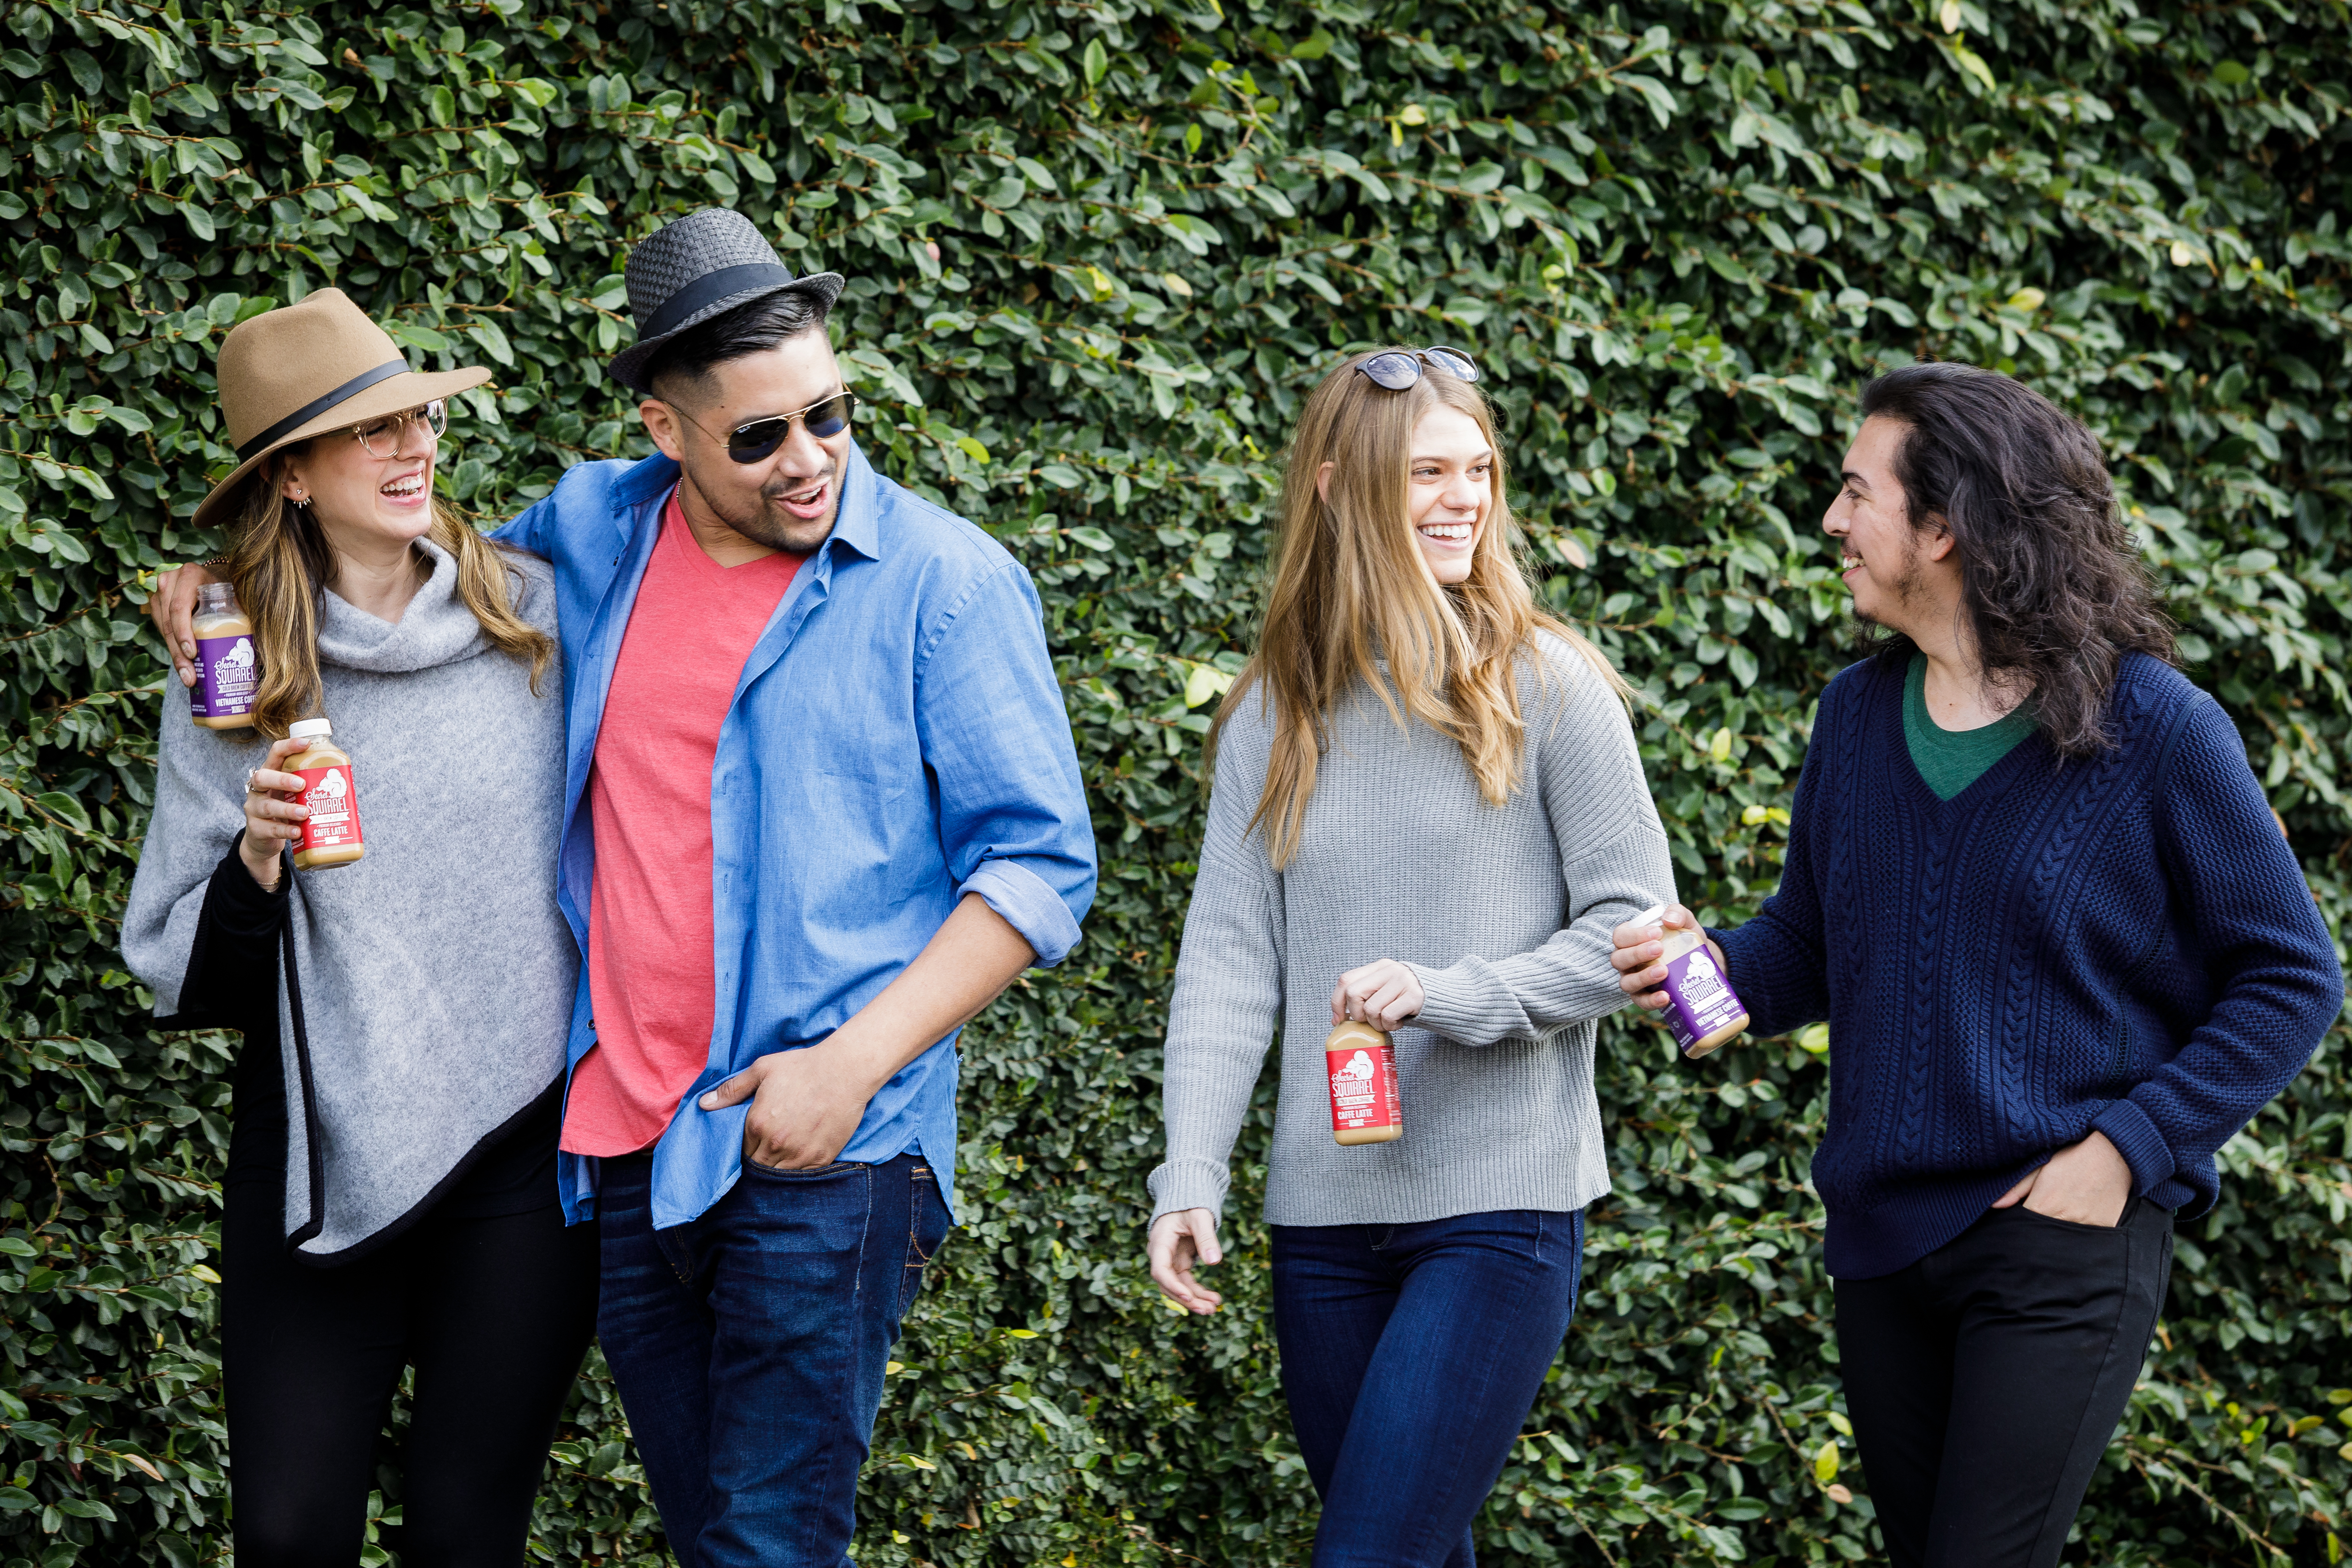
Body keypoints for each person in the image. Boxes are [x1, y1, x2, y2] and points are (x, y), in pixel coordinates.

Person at [148, 207, 1098, 1567]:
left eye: (829, 414)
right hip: (632, 1149)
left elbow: (1043, 862)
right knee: (705, 1534)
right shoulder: (585, 538)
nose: (810, 460)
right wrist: (217, 588)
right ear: (665, 430)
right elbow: (399, 589)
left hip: (829, 1145)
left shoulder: (945, 584)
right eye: (759, 436)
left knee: (766, 1544)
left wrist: (853, 1063)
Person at [1608, 363, 2342, 1568]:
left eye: (1857, 493)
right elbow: (1809, 942)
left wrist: (2125, 1151)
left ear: (1943, 528)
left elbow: (2292, 975)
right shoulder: (1854, 718)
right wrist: (1711, 968)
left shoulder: (2152, 726)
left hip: (2059, 1238)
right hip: (1882, 1238)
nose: (1833, 522)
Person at [1145, 346, 1676, 1567]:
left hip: (1501, 1209)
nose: (1464, 498)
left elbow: (1637, 935)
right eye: (1427, 471)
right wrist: (1190, 1171)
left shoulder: (1551, 683)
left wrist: (1450, 995)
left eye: (1478, 469)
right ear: (1337, 486)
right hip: (1323, 1221)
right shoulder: (1273, 710)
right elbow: (1228, 961)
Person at [123, 290, 595, 1566]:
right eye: (373, 430)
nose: (415, 448)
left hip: (526, 1139)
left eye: (422, 417)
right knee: (288, 1529)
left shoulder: (541, 611)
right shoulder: (231, 660)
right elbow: (187, 973)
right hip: (317, 1137)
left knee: (466, 1527)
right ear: (288, 475)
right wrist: (257, 856)